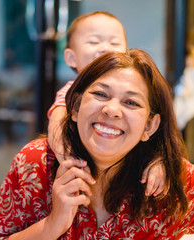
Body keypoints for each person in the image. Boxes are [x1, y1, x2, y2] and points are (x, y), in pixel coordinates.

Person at [0, 49, 194, 239]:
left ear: (150, 126)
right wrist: (52, 225)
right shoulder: (35, 164)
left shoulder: (174, 181)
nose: (112, 110)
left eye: (131, 102)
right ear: (76, 108)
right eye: (100, 94)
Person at [48, 11, 167, 196]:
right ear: (71, 57)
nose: (105, 48)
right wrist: (70, 162)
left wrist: (158, 161)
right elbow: (56, 127)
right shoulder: (70, 92)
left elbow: (156, 135)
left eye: (114, 42)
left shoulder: (138, 86)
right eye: (94, 42)